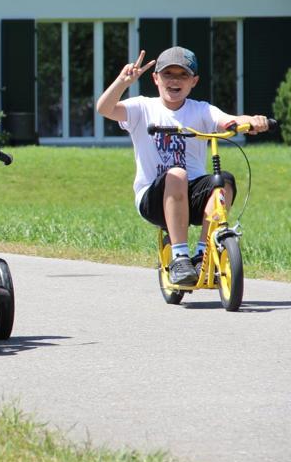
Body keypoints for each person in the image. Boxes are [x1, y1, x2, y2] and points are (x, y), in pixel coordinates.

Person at [96, 47, 270, 286]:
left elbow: (227, 120)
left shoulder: (201, 110)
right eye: (168, 74)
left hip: (192, 195)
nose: (174, 80)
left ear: (194, 81)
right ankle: (180, 258)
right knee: (177, 173)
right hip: (153, 198)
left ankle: (201, 254)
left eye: (183, 75)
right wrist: (122, 82)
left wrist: (250, 121)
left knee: (224, 181)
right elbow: (104, 109)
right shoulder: (142, 108)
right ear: (156, 78)